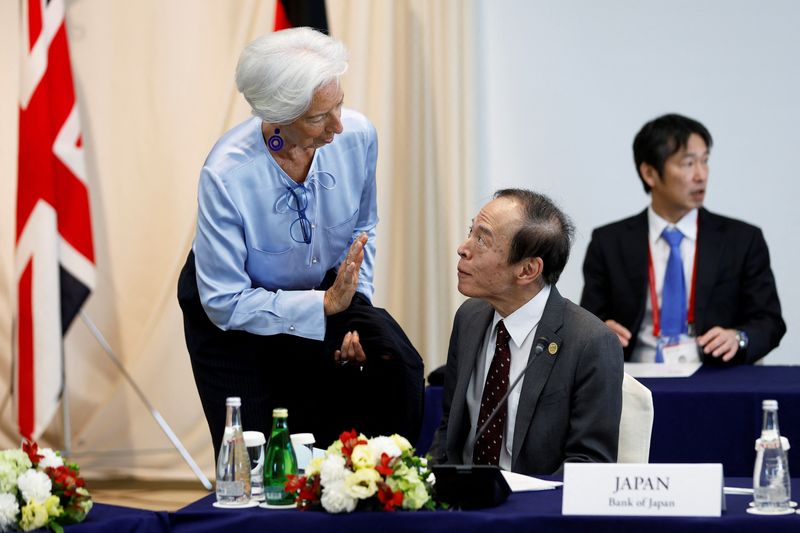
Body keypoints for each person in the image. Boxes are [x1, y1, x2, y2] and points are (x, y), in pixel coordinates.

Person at [177, 28, 423, 460]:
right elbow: (224, 301)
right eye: (317, 117)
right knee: (258, 455)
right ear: (277, 116)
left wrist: (352, 307)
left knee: (395, 366)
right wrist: (322, 307)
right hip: (233, 313)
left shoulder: (358, 136)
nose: (337, 126)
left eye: (339, 105)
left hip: (327, 291)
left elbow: (363, 228)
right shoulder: (227, 174)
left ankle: (393, 489)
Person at [429, 189, 623, 475]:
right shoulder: (469, 318)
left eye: (482, 240)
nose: (463, 247)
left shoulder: (591, 342)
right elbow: (450, 427)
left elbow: (589, 465)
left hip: (534, 511)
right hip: (461, 507)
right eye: (471, 231)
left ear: (527, 270)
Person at [581, 113, 785, 364]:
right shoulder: (609, 242)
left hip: (714, 375)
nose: (701, 175)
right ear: (649, 173)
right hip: (635, 380)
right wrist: (601, 331)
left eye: (705, 161)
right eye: (688, 163)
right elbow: (586, 323)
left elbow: (769, 322)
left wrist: (739, 337)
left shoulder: (742, 239)